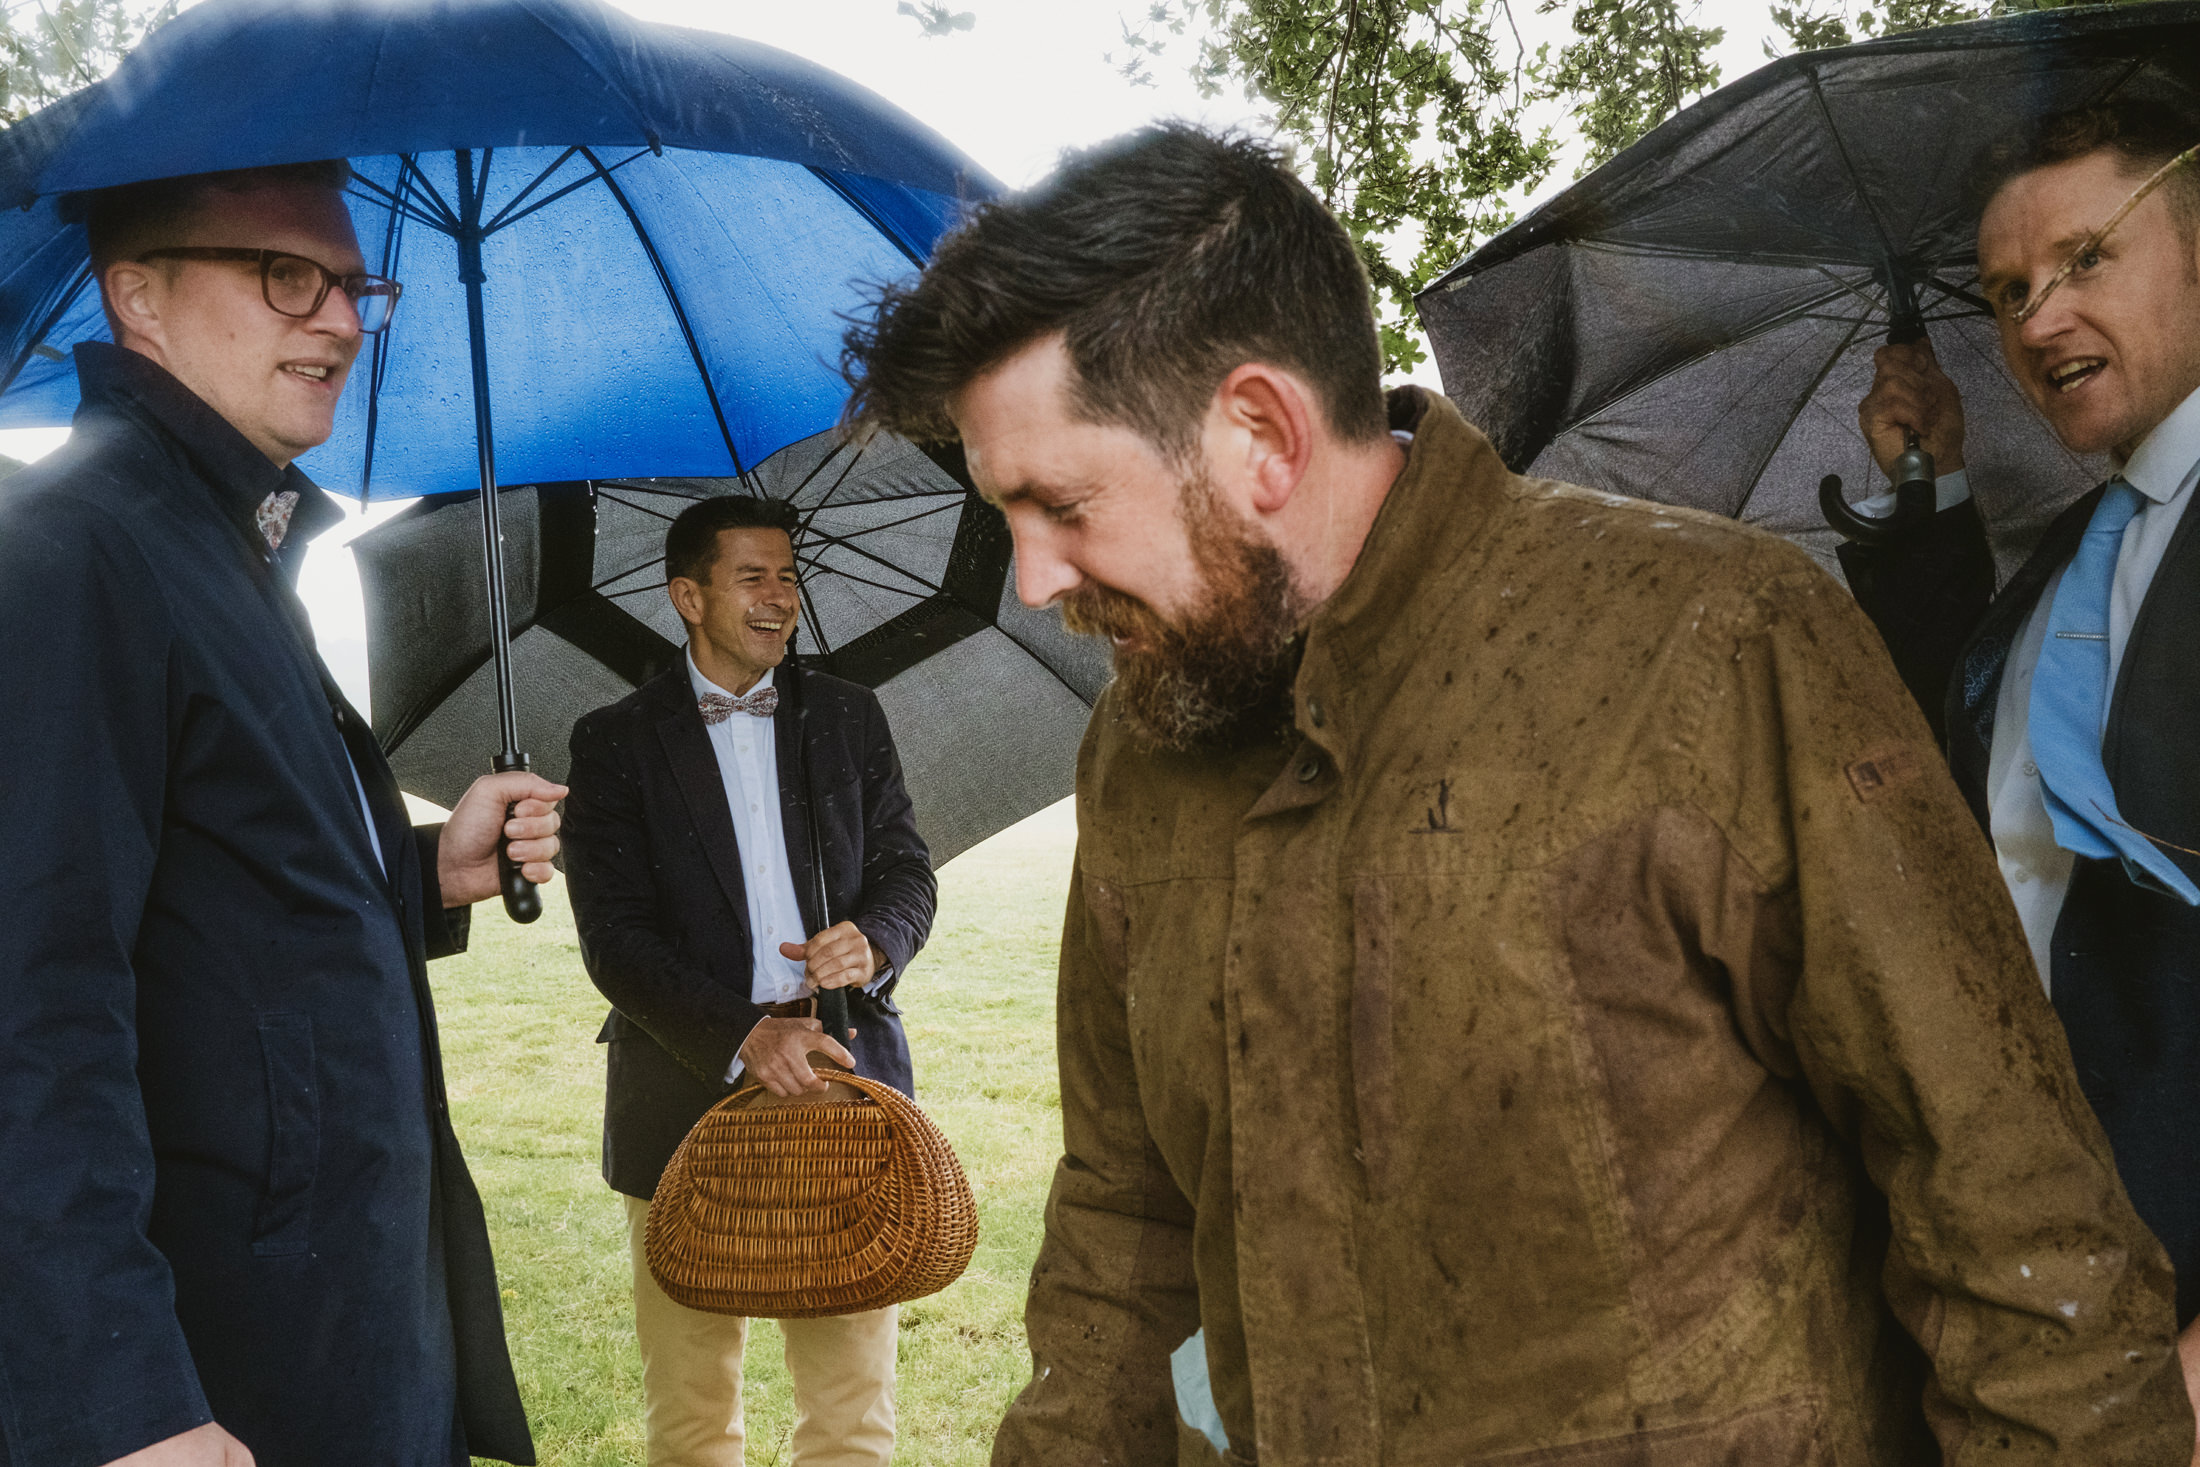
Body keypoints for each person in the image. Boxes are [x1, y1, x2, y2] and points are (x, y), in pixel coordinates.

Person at [840, 123, 2196, 1465]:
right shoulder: (1143, 747)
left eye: (1061, 504)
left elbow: (2009, 1217)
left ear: (1259, 430)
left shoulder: (1718, 642)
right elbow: (1122, 1227)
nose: (1034, 578)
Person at [0, 162, 563, 1467]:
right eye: (285, 276)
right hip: (230, 1364)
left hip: (349, 1318)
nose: (344, 320)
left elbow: (220, 896)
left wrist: (427, 871)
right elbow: (33, 996)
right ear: (136, 293)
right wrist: (125, 1401)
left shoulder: (230, 545)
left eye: (355, 283)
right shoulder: (72, 554)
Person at [1847, 96, 2200, 1400]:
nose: (2037, 321)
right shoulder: (2064, 563)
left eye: (2087, 258)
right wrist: (1926, 484)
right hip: (2037, 1303)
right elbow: (1932, 742)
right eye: (2004, 291)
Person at [562, 493, 936, 1467]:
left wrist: (875, 939)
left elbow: (907, 871)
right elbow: (616, 940)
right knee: (691, 1415)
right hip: (681, 1095)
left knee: (853, 1413)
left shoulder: (851, 716)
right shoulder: (613, 741)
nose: (782, 598)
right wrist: (742, 1031)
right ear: (687, 595)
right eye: (753, 577)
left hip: (844, 1080)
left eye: (790, 575)